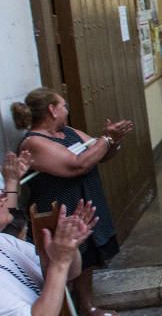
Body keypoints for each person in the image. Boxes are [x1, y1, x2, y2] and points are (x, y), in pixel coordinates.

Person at [14, 88, 133, 316]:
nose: (67, 111)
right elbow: (76, 164)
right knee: (65, 261)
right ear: (52, 109)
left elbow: (100, 152)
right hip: (58, 207)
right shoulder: (34, 142)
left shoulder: (68, 131)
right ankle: (68, 309)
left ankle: (87, 306)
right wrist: (106, 139)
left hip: (85, 200)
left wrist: (113, 141)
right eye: (64, 106)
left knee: (87, 255)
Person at [0, 197, 97, 316]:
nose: (4, 197)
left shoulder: (4, 241)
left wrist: (68, 244)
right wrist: (60, 262)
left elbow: (70, 274)